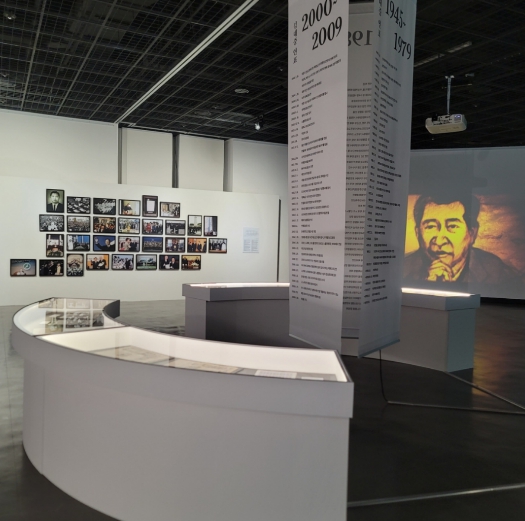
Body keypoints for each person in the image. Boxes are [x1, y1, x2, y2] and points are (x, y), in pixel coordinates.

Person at [404, 192, 524, 293]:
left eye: (452, 226)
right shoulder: (402, 269)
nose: (439, 241)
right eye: (430, 227)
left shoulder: (498, 274)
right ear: (417, 233)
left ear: (472, 233)